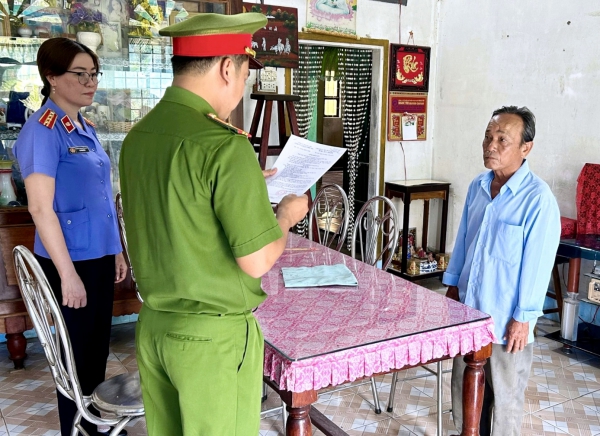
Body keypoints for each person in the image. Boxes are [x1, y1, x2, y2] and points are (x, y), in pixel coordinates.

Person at [119, 12, 308, 436]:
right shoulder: (222, 145)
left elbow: (178, 201)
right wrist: (286, 216)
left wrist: (240, 186)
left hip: (154, 330)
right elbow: (257, 260)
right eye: (244, 74)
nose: (241, 88)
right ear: (227, 68)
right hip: (212, 339)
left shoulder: (140, 137)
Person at [12, 38, 128, 436]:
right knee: (73, 358)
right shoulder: (43, 131)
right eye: (79, 74)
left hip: (96, 257)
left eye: (94, 73)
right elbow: (40, 208)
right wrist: (68, 275)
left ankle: (96, 427)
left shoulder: (83, 126)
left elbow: (100, 198)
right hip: (69, 262)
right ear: (52, 77)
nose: (90, 82)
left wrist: (115, 251)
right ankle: (76, 429)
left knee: (96, 351)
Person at [442, 106, 561, 436]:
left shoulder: (538, 199)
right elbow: (463, 241)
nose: (490, 145)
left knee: (503, 400)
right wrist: (452, 288)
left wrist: (523, 317)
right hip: (468, 312)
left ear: (526, 147)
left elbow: (537, 266)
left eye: (502, 139)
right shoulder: (479, 186)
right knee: (465, 392)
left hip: (506, 320)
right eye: (488, 136)